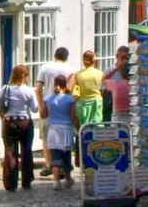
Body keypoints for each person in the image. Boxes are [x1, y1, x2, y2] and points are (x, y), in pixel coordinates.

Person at [0, 64, 39, 192]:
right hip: (25, 122)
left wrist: (3, 115)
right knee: (26, 151)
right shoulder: (28, 90)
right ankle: (26, 180)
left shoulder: (5, 89)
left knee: (10, 152)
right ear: (24, 76)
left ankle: (10, 183)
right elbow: (35, 109)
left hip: (9, 123)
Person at [35, 47, 76, 176]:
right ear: (66, 57)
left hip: (48, 105)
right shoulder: (71, 70)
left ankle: (49, 165)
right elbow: (69, 89)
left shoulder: (45, 67)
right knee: (64, 140)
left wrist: (42, 105)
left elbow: (38, 88)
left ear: (55, 55)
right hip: (63, 107)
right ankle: (63, 167)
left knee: (47, 138)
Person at [40, 74, 78, 190]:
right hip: (66, 129)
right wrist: (78, 126)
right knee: (66, 155)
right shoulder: (69, 99)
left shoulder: (48, 98)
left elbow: (43, 114)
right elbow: (73, 116)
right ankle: (67, 178)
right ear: (64, 84)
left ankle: (56, 181)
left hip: (53, 129)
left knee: (55, 155)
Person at [73, 50, 104, 125]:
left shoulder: (78, 74)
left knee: (84, 129)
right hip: (97, 103)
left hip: (83, 104)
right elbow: (102, 91)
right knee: (97, 128)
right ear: (94, 60)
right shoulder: (100, 73)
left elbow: (76, 92)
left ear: (83, 61)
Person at [103, 46, 131, 123]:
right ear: (117, 57)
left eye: (127, 58)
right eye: (122, 57)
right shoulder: (110, 70)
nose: (125, 61)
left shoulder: (131, 69)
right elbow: (103, 84)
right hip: (113, 103)